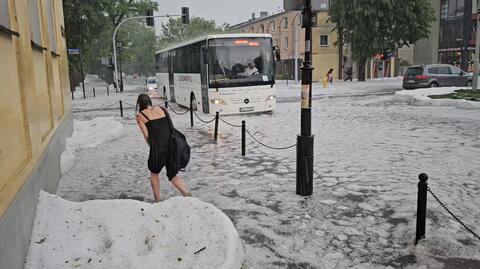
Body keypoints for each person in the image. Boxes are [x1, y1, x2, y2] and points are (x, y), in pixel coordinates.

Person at [136, 94, 190, 202]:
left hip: (157, 147)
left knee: (154, 172)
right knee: (173, 175)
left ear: (139, 104)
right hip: (171, 145)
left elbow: (147, 136)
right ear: (149, 101)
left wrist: (153, 149)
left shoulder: (140, 116)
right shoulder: (163, 109)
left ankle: (157, 200)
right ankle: (187, 195)